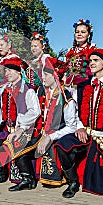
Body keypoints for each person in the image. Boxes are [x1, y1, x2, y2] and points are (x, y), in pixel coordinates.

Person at [54, 49, 103, 198]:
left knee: (97, 187)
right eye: (90, 61)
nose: (92, 63)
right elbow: (77, 113)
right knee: (62, 145)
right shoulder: (81, 87)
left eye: (96, 60)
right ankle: (72, 182)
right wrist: (80, 127)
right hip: (85, 133)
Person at [33, 57, 78, 188]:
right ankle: (28, 178)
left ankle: (69, 180)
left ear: (55, 76)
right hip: (41, 131)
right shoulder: (41, 91)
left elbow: (71, 126)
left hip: (58, 133)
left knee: (54, 146)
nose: (43, 78)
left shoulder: (66, 98)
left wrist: (50, 136)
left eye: (46, 75)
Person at [0, 57, 41, 188]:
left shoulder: (27, 89)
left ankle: (28, 179)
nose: (7, 73)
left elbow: (35, 111)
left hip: (28, 129)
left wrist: (21, 126)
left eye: (11, 70)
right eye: (6, 71)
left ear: (18, 72)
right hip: (10, 128)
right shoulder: (8, 88)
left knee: (16, 144)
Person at [63, 19, 96, 91]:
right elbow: (66, 70)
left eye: (83, 32)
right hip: (68, 87)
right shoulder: (70, 51)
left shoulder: (93, 50)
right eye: (77, 32)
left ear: (89, 35)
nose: (79, 34)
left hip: (84, 87)